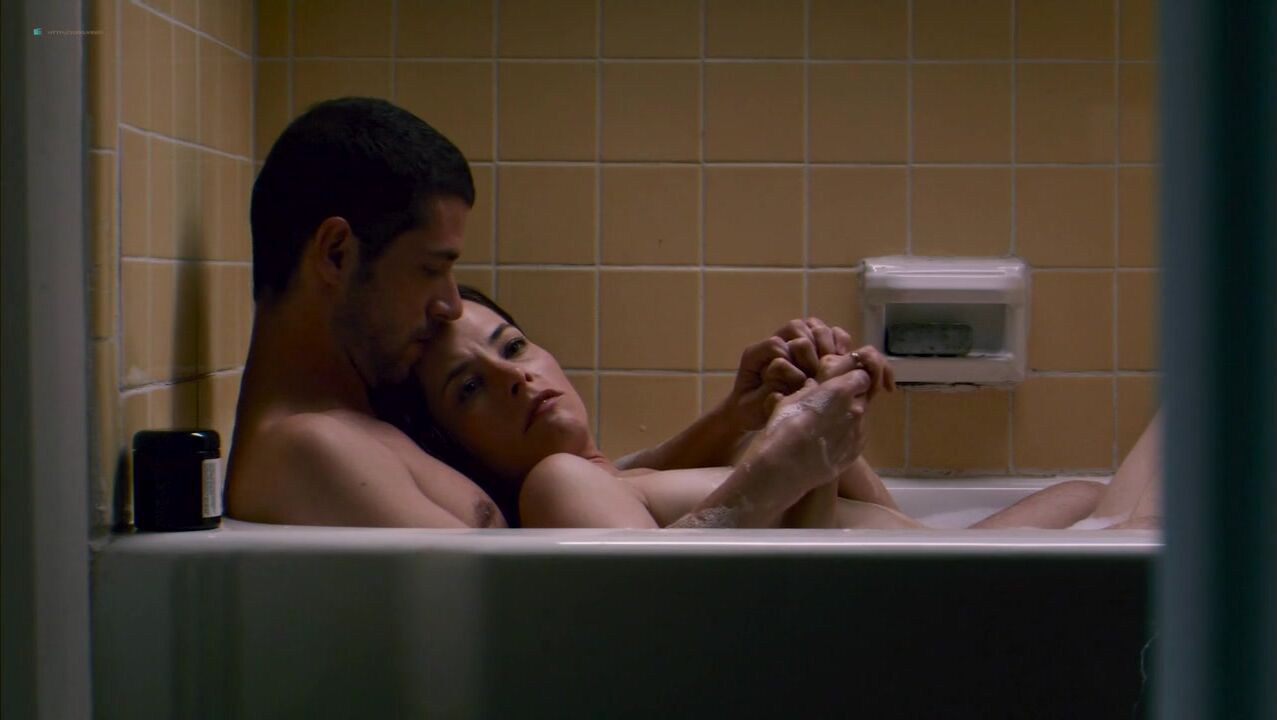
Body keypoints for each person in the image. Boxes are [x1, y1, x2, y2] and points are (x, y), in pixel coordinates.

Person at [225, 97, 866, 529]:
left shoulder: (353, 427)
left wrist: (733, 422)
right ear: (336, 253)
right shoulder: (312, 450)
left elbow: (599, 512)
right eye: (430, 268)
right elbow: (551, 625)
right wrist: (781, 467)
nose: (449, 302)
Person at [407, 287, 1164, 530]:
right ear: (451, 446)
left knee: (1082, 492)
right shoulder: (554, 486)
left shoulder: (621, 480)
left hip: (944, 562)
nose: (512, 377)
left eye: (512, 346)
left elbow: (865, 520)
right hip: (948, 603)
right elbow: (667, 610)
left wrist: (827, 410)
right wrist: (794, 449)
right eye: (469, 388)